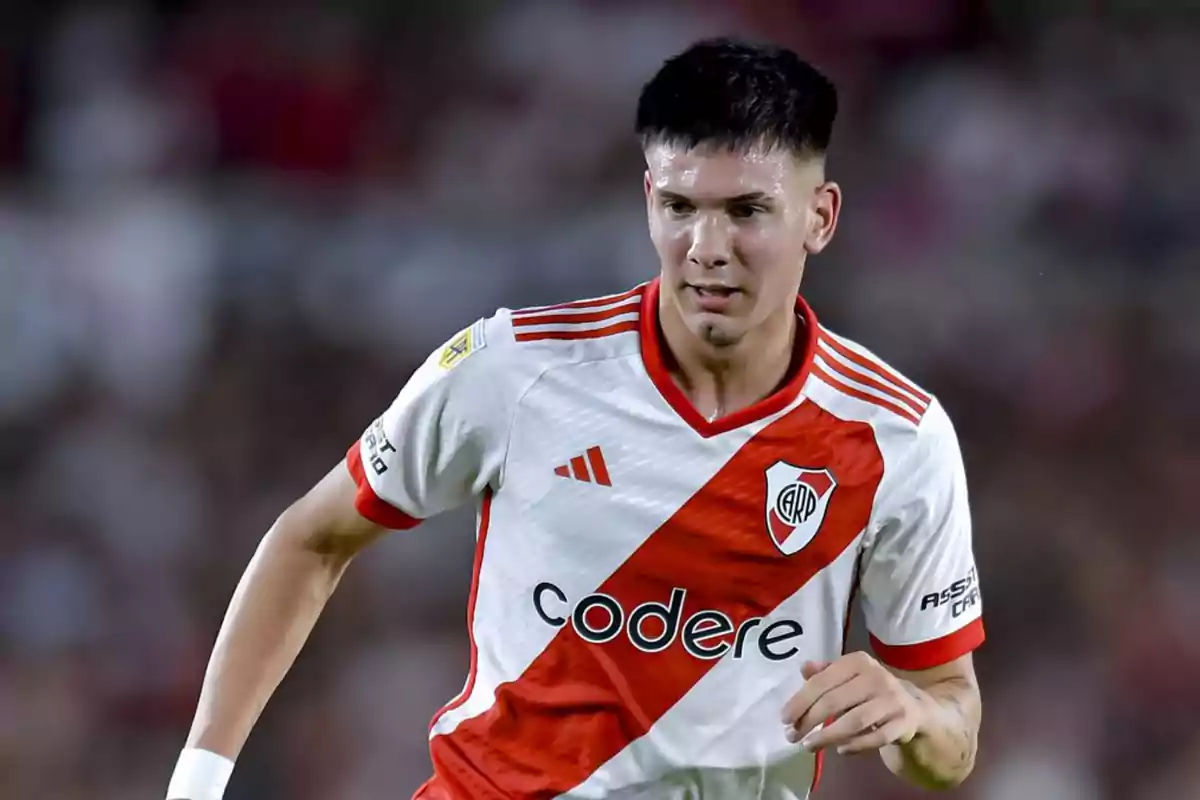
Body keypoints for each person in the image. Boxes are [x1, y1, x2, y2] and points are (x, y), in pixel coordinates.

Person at [166, 37, 984, 800]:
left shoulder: (897, 439)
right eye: (679, 206)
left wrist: (912, 714)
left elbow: (953, 734)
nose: (706, 245)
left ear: (821, 216)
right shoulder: (516, 369)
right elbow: (312, 536)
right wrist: (197, 783)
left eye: (746, 211)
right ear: (646, 201)